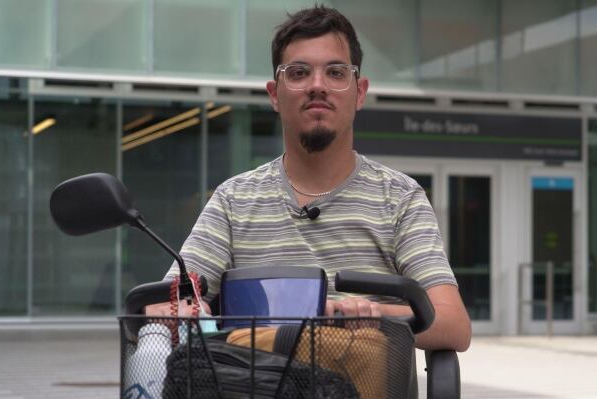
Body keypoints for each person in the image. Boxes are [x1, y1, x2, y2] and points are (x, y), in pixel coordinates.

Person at [147, 5, 471, 353]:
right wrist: (184, 310)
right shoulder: (234, 200)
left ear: (359, 92)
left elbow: (453, 325)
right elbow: (161, 306)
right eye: (299, 72)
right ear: (275, 94)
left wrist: (370, 315)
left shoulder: (400, 197)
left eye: (335, 72)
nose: (318, 85)